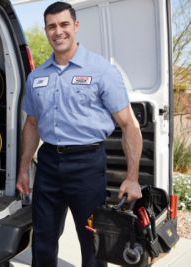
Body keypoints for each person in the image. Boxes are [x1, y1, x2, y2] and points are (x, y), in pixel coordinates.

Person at [16, 2, 143, 267]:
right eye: (51, 26)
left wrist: (132, 178)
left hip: (87, 164)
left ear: (75, 26)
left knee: (93, 242)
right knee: (43, 238)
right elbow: (31, 124)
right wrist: (23, 168)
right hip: (49, 163)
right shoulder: (37, 76)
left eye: (64, 24)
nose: (58, 32)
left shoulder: (101, 70)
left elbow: (129, 125)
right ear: (46, 30)